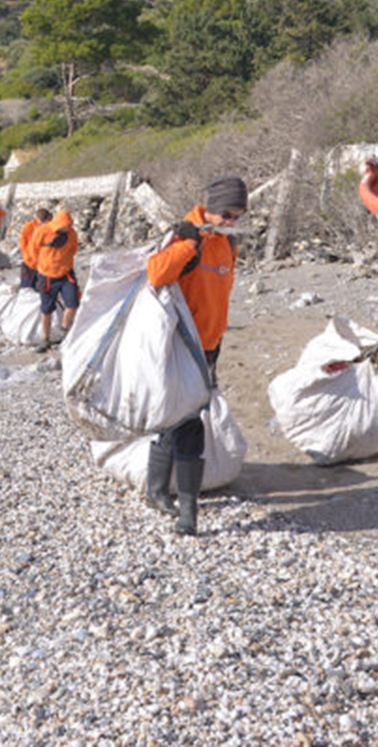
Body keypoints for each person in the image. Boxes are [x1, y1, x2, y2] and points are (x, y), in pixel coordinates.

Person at [143, 176, 247, 536]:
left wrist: (216, 341)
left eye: (239, 215)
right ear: (214, 207)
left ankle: (156, 489)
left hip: (209, 348)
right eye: (229, 214)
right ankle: (189, 511)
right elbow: (154, 274)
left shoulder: (227, 245)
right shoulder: (185, 235)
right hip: (179, 347)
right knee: (190, 426)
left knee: (179, 418)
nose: (234, 221)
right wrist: (188, 244)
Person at [30, 208, 81, 353]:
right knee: (46, 309)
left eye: (69, 225)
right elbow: (34, 249)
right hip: (46, 275)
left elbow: (74, 250)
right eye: (65, 226)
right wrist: (40, 266)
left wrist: (63, 261)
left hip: (66, 274)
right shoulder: (43, 231)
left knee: (73, 303)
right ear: (58, 223)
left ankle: (65, 330)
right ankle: (45, 339)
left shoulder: (71, 234)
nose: (67, 228)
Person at [17, 207, 50, 291]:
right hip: (29, 264)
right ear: (37, 218)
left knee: (41, 290)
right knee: (26, 289)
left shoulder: (48, 228)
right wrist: (27, 257)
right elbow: (23, 244)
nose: (43, 223)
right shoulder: (27, 227)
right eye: (41, 221)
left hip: (42, 265)